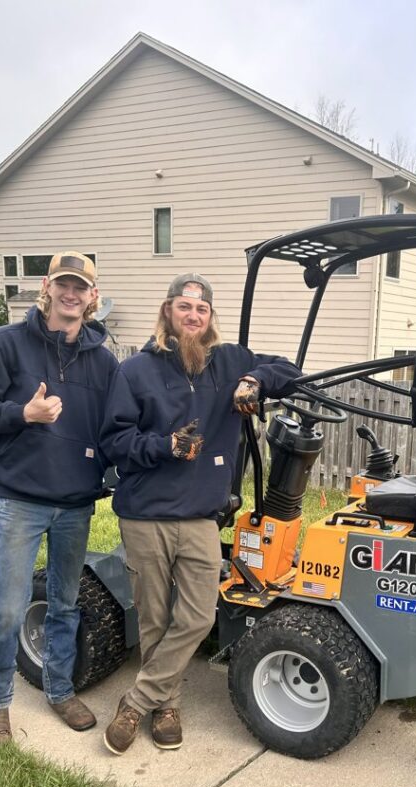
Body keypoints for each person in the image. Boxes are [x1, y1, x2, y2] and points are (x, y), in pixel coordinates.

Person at [99, 273, 300, 755]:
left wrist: (256, 380)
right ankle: (167, 707)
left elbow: (290, 369)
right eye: (184, 307)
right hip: (145, 515)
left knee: (195, 618)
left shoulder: (230, 361)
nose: (193, 316)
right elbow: (113, 441)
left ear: (210, 317)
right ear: (168, 310)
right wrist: (164, 446)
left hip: (200, 518)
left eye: (202, 309)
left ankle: (135, 702)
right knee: (153, 617)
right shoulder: (136, 371)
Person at [0, 252, 118, 744]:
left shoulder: (104, 359)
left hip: (76, 501)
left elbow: (116, 426)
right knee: (8, 608)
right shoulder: (7, 343)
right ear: (47, 287)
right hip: (22, 500)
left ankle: (59, 689)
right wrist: (23, 414)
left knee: (65, 604)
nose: (72, 294)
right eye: (64, 285)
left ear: (93, 297)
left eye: (82, 287)